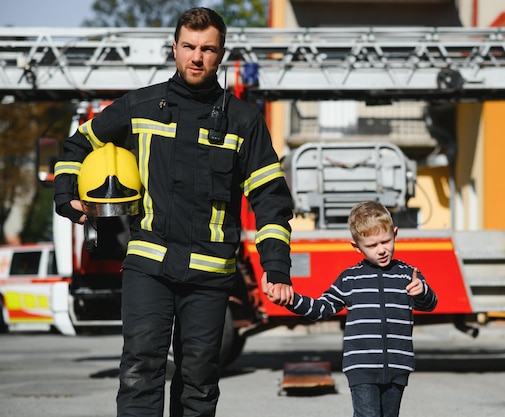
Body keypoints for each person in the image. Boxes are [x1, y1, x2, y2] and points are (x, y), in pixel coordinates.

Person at [53, 7, 294, 417]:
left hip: (210, 271)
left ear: (221, 54)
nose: (196, 57)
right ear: (175, 48)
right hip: (148, 263)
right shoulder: (139, 107)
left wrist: (277, 266)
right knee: (140, 371)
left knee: (199, 382)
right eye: (188, 47)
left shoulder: (244, 122)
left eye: (207, 49)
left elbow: (270, 198)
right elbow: (79, 145)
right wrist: (66, 195)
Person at [264, 200, 437, 417]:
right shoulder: (350, 278)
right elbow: (322, 308)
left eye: (386, 241)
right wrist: (291, 300)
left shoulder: (407, 274)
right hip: (361, 367)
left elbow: (430, 304)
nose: (381, 250)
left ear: (395, 234)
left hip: (398, 367)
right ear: (356, 247)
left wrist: (422, 291)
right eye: (372, 246)